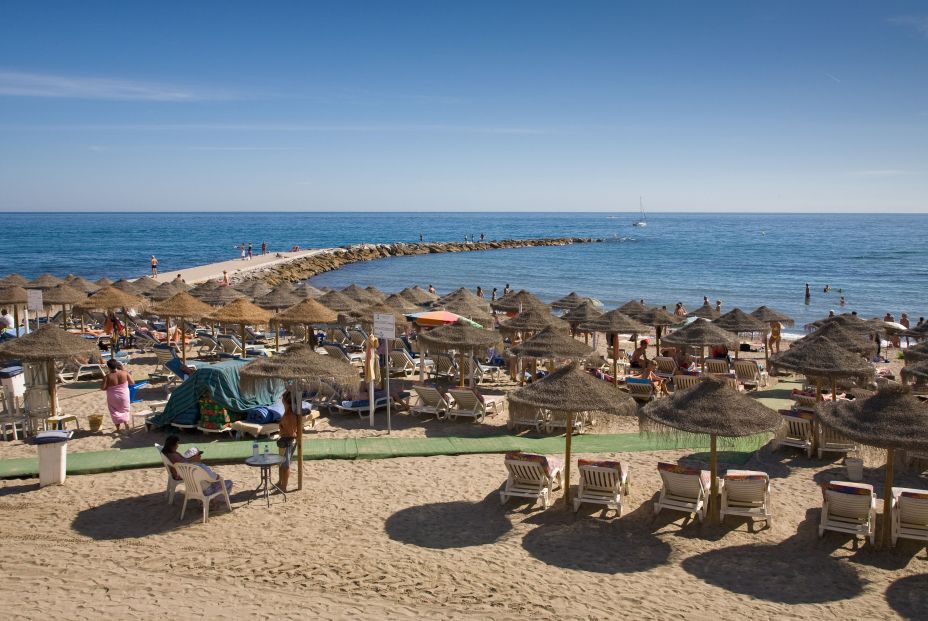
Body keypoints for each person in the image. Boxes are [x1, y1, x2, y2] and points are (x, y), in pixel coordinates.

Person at [161, 435, 232, 498]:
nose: (178, 445)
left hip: (192, 487)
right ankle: (216, 501)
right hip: (206, 491)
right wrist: (219, 478)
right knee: (228, 482)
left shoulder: (172, 456)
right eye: (199, 454)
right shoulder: (199, 467)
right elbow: (214, 478)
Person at [100, 359, 133, 432]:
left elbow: (103, 388)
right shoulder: (125, 373)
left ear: (108, 367)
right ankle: (126, 424)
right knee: (125, 409)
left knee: (114, 411)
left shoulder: (107, 377)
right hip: (124, 395)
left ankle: (118, 429)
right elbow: (132, 382)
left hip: (113, 397)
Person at [276, 392, 299, 491]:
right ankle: (280, 482)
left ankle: (283, 487)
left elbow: (291, 433)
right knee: (281, 464)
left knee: (285, 465)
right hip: (285, 440)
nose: (281, 401)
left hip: (288, 441)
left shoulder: (289, 415)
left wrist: (282, 427)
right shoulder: (288, 412)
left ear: (286, 402)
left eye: (283, 400)